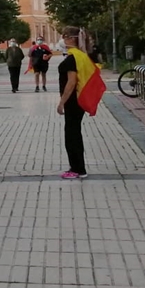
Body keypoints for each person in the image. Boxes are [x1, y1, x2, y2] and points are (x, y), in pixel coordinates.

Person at [56, 26, 93, 179]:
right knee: (74, 133)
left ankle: (78, 169)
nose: (63, 39)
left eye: (65, 36)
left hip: (73, 100)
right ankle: (77, 167)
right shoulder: (81, 55)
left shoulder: (73, 58)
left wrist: (61, 102)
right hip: (79, 99)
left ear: (72, 39)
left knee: (71, 135)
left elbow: (71, 82)